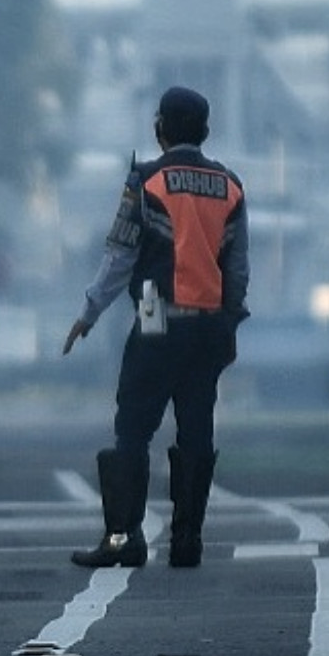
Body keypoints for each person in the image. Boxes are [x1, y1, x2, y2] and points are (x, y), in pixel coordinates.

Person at [60, 85, 248, 570]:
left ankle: (124, 538)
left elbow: (120, 256)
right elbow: (237, 269)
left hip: (156, 318)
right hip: (209, 328)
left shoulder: (146, 181)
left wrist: (89, 312)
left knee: (132, 428)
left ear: (160, 128)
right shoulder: (230, 186)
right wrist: (228, 321)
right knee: (196, 432)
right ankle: (187, 541)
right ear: (205, 131)